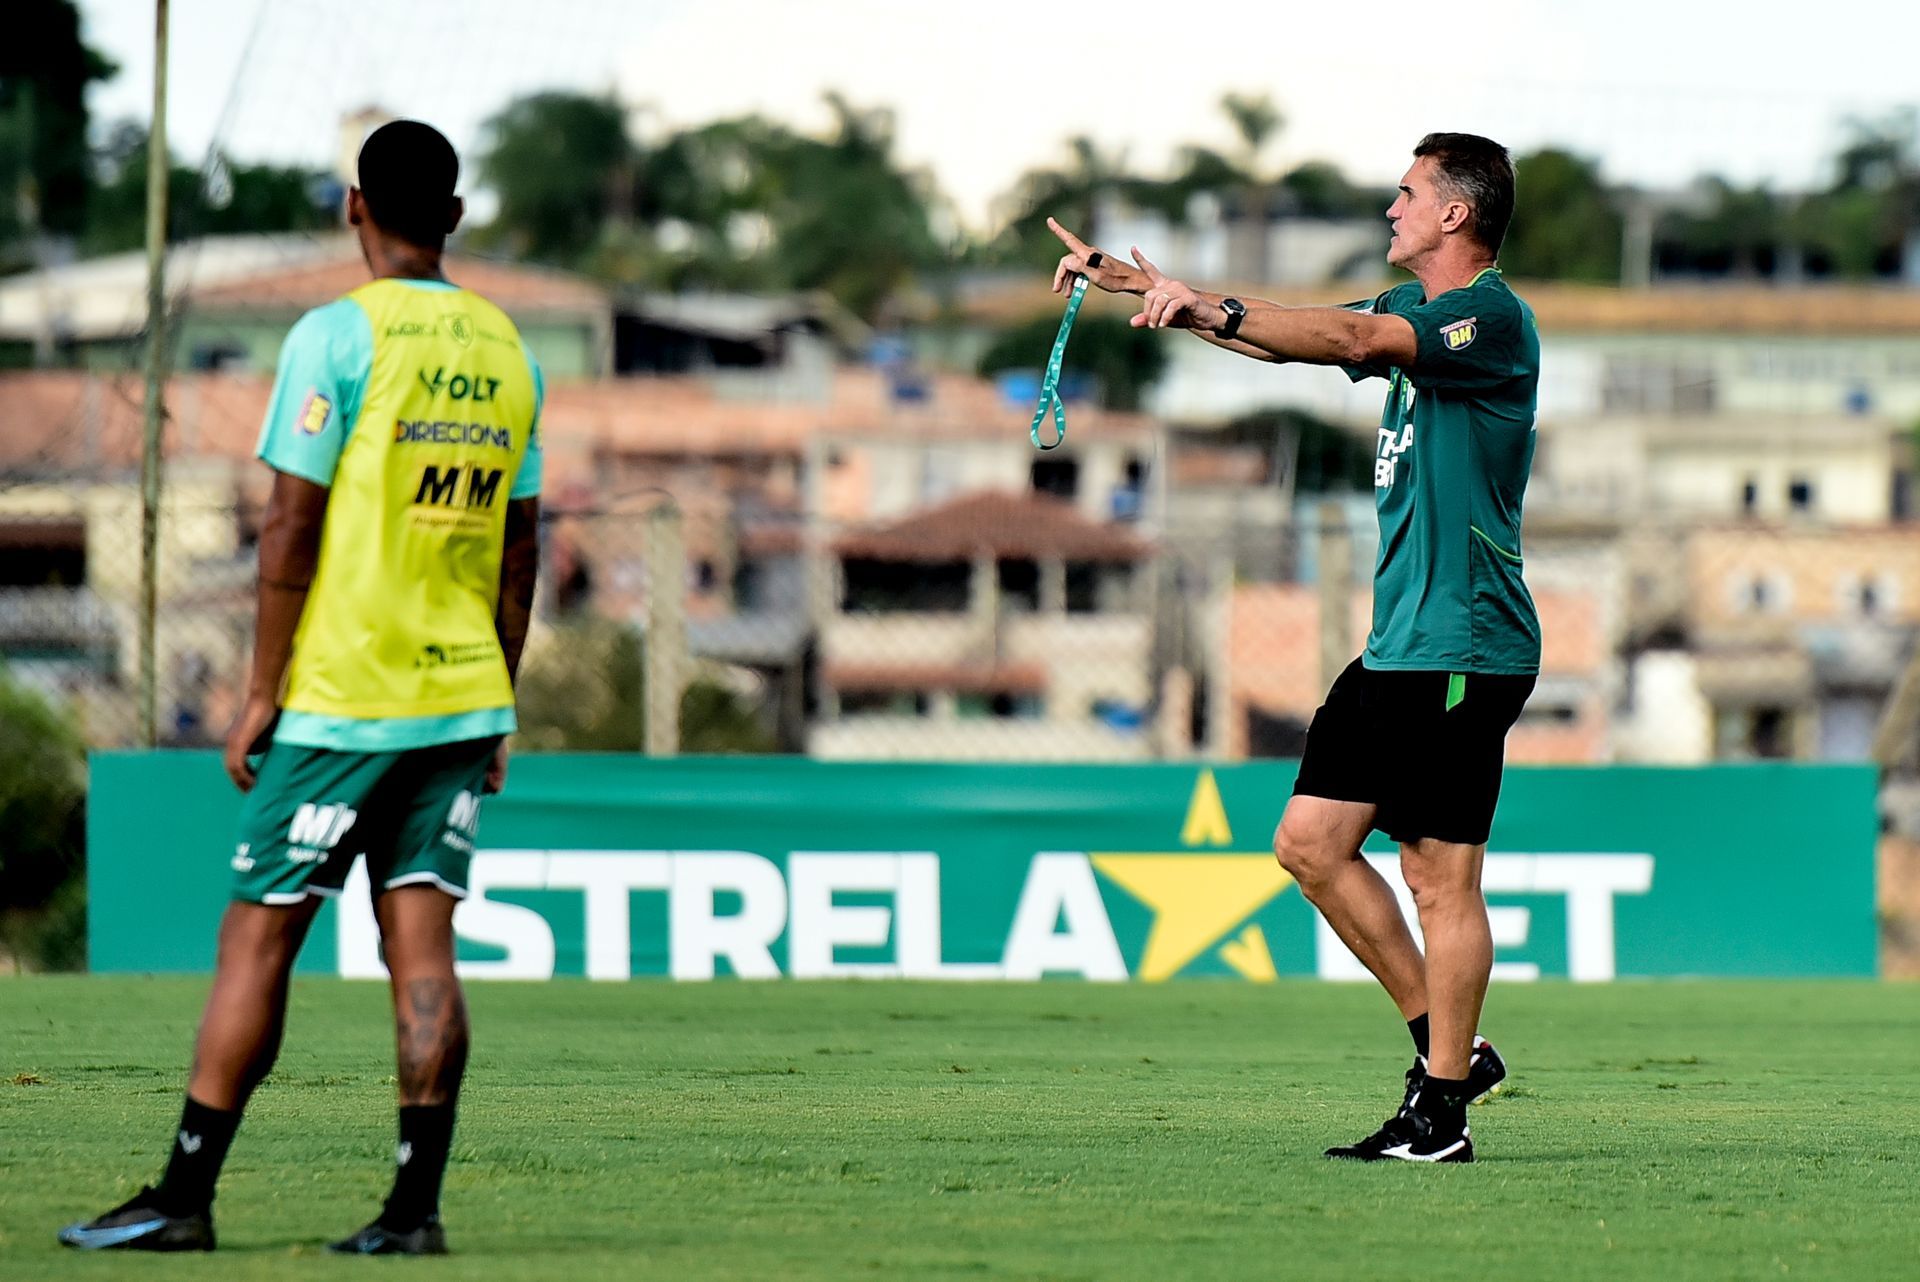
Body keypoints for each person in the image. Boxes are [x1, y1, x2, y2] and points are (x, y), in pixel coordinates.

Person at [59, 119, 543, 1251]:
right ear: (457, 218)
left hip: (343, 696)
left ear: (353, 208)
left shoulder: (336, 338)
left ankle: (183, 1198)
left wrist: (262, 687)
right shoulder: (508, 348)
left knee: (258, 940)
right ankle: (412, 1214)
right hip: (460, 696)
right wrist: (497, 700)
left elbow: (288, 523)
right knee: (423, 948)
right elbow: (520, 550)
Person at [1050, 133, 1538, 1163]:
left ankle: (1441, 1113)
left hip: (1465, 643)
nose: (1392, 207)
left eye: (1409, 193)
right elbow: (1292, 340)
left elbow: (1344, 345)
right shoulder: (1411, 312)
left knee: (1438, 876)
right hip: (1399, 642)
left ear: (1458, 214)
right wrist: (1158, 295)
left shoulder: (1489, 319)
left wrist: (1207, 303)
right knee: (1311, 845)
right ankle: (1452, 1052)